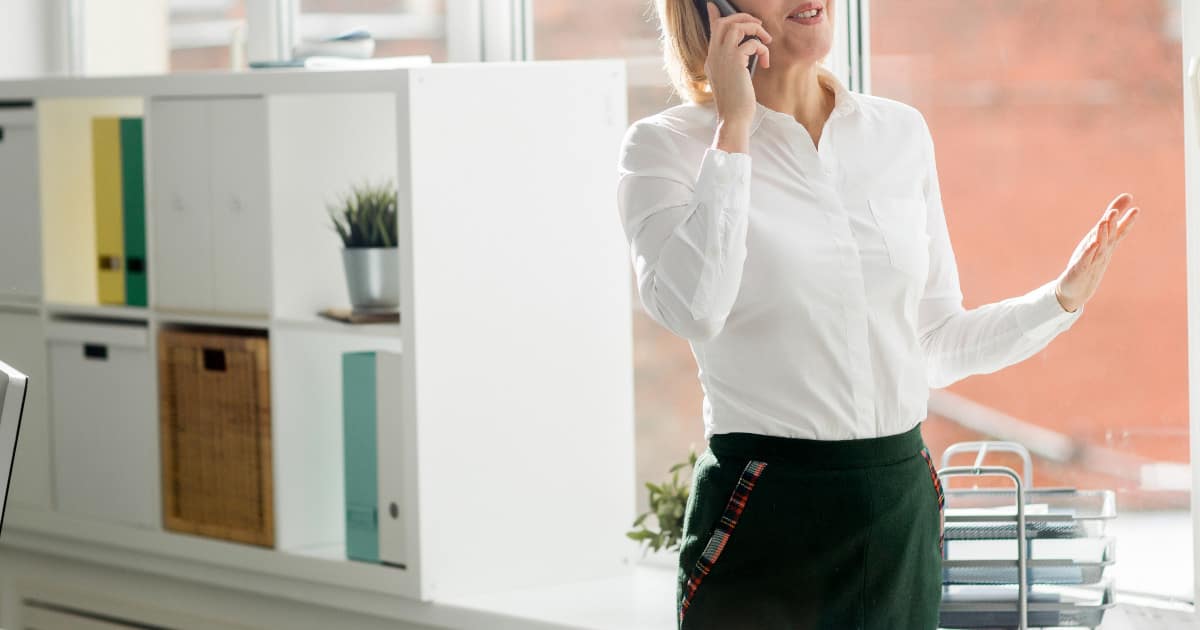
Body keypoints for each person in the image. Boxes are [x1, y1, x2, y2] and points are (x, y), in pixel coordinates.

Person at [614, 1, 1140, 628]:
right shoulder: (664, 147)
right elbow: (696, 309)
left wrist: (1060, 300)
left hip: (900, 510)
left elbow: (936, 345)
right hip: (766, 508)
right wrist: (734, 129)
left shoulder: (899, 133)